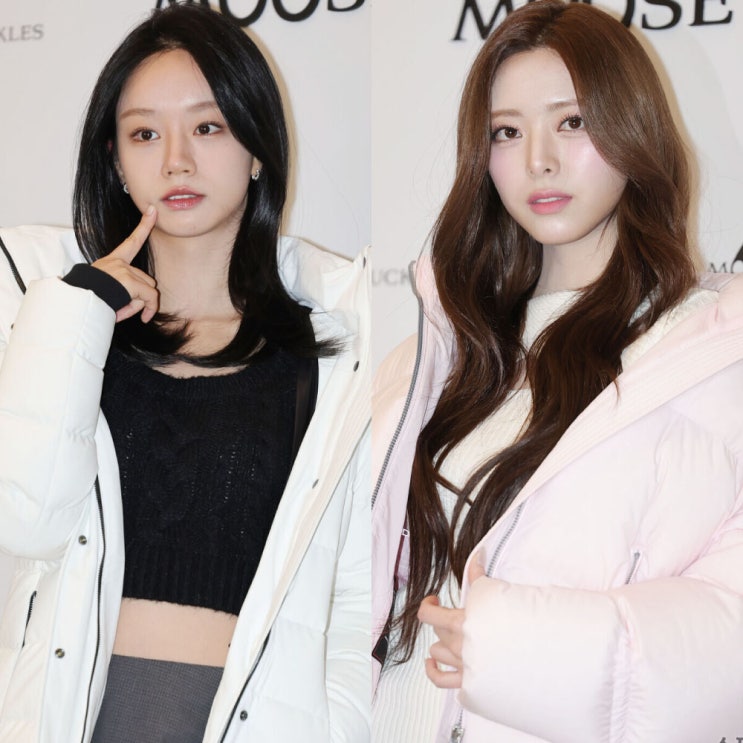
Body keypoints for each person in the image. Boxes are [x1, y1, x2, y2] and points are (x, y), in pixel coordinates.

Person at [371, 1, 743, 742]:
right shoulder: (435, 352)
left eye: (571, 122)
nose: (537, 160)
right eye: (506, 132)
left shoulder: (712, 353)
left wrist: (518, 649)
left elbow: (726, 633)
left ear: (633, 129)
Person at [0, 4, 370, 742]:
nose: (176, 160)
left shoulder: (336, 347)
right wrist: (78, 311)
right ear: (114, 159)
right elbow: (26, 524)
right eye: (144, 134)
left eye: (208, 127)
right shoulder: (54, 315)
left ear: (257, 148)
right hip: (76, 717)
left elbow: (355, 604)